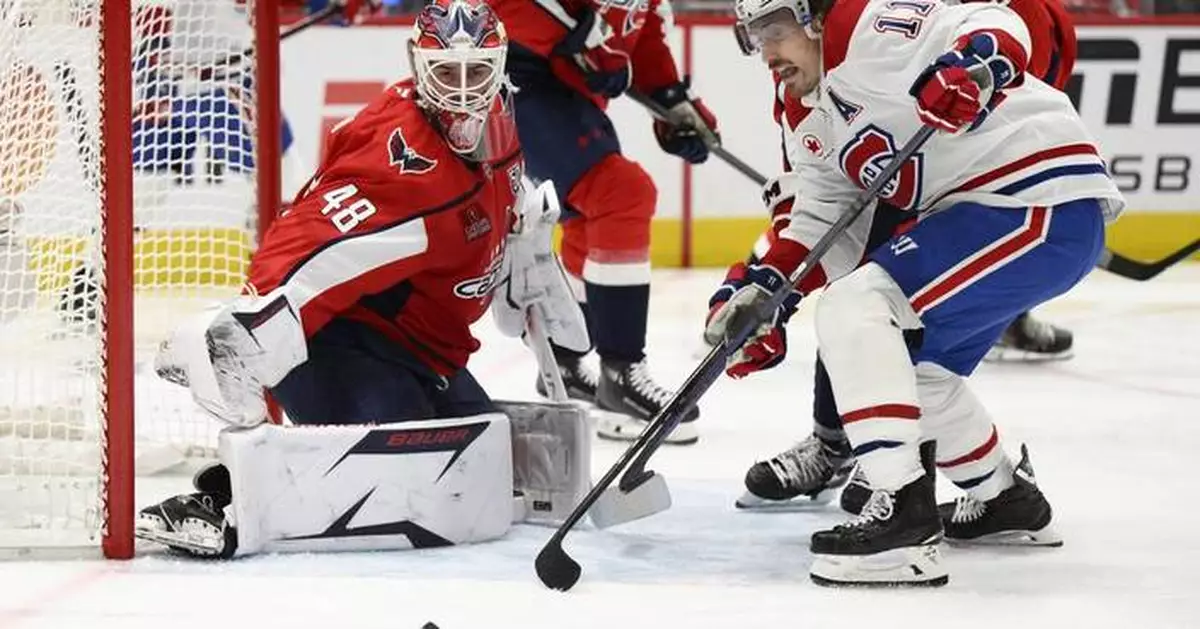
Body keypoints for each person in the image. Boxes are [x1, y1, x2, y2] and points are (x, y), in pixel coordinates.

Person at [133, 0, 591, 559]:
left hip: (424, 351)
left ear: (500, 68)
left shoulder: (499, 119)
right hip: (336, 345)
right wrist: (257, 323)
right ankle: (219, 508)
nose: (466, 90)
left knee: (486, 459)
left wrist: (524, 237)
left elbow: (498, 199)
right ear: (418, 65)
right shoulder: (403, 161)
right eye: (448, 73)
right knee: (409, 477)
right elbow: (310, 237)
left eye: (479, 73)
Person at [705, 0, 1123, 586]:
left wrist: (975, 68)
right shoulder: (807, 108)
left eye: (774, 30)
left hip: (1033, 200)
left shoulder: (866, 24)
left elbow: (997, 23)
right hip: (996, 213)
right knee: (918, 372)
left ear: (815, 17)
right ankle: (1003, 497)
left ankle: (901, 510)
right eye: (753, 36)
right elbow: (824, 216)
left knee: (857, 306)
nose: (766, 52)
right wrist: (767, 290)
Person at [488, 0, 720, 445]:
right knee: (619, 191)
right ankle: (621, 372)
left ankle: (564, 358)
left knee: (593, 210)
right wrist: (574, 31)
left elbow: (642, 32)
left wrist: (672, 104)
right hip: (513, 73)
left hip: (564, 92)